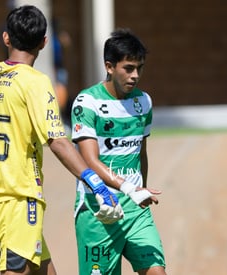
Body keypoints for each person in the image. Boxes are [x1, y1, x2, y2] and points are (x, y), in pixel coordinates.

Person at [0, 5, 123, 275]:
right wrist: (95, 181)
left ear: (6, 38)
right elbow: (58, 141)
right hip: (20, 199)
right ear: (44, 42)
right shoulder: (36, 82)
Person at [71, 29, 167, 274]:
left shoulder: (144, 101)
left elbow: (140, 152)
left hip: (135, 209)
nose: (135, 75)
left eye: (140, 68)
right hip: (99, 209)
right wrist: (129, 188)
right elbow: (89, 160)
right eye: (129, 68)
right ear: (109, 66)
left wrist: (141, 189)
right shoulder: (87, 102)